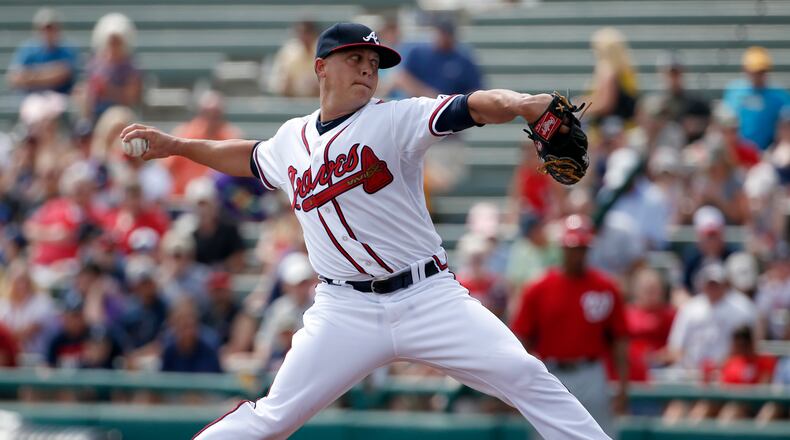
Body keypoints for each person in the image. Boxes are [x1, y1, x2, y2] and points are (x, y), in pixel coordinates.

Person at [121, 22, 610, 439]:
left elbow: (474, 106)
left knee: (524, 374)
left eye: (374, 63)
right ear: (321, 67)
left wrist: (526, 103)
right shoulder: (290, 139)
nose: (367, 69)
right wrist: (178, 144)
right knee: (273, 420)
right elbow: (248, 156)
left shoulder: (395, 119)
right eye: (354, 58)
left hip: (428, 297)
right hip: (344, 310)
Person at [510, 215, 628, 437]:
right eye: (573, 247)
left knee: (600, 435)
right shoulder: (538, 288)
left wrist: (623, 385)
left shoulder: (605, 286)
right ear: (562, 247)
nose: (578, 253)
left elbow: (619, 339)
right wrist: (521, 383)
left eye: (583, 247)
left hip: (592, 371)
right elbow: (522, 340)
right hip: (551, 372)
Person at [396, 17, 483, 97]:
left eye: (447, 34)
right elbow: (403, 78)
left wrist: (454, 103)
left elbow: (475, 89)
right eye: (441, 33)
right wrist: (428, 94)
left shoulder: (464, 60)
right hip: (419, 106)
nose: (443, 38)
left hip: (450, 109)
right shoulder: (418, 53)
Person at [723, 47, 790, 151]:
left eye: (761, 71)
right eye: (754, 71)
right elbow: (727, 123)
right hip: (738, 151)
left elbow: (785, 126)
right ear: (745, 70)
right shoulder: (734, 92)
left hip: (769, 151)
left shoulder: (779, 96)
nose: (757, 75)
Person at [6, 8, 79, 95]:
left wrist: (30, 75)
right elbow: (13, 78)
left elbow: (62, 74)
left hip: (60, 97)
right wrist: (47, 74)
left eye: (51, 29)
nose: (47, 33)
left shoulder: (67, 50)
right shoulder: (27, 49)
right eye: (44, 29)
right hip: (31, 98)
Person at [267, 21, 320, 97]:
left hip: (319, 103)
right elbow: (277, 83)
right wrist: (287, 86)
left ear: (314, 34)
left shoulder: (324, 51)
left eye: (307, 33)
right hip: (291, 102)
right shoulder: (288, 52)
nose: (304, 37)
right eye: (301, 33)